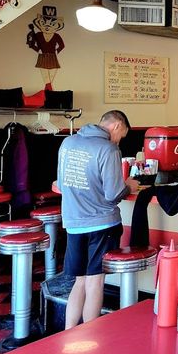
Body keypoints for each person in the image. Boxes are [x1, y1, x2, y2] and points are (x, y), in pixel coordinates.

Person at [58, 110, 138, 329]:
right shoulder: (109, 149)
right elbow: (113, 194)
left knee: (80, 280)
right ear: (117, 126)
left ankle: (69, 333)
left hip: (73, 223)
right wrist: (128, 186)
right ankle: (90, 337)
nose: (119, 139)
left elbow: (62, 184)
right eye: (122, 135)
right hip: (102, 224)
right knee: (95, 281)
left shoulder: (67, 143)